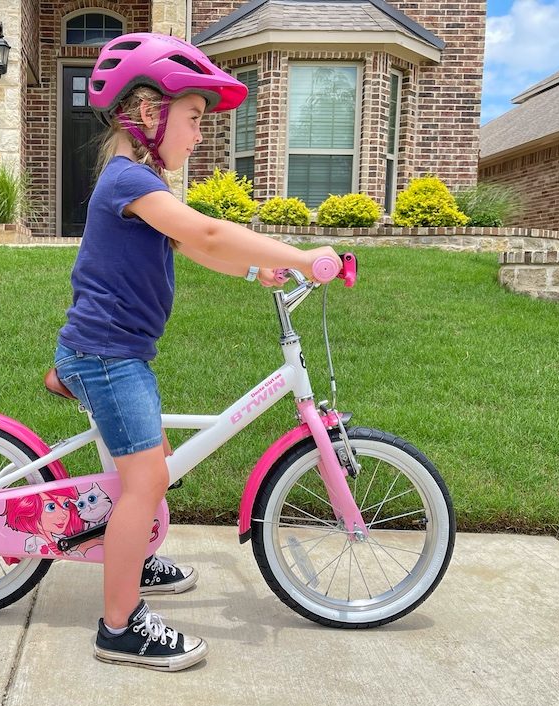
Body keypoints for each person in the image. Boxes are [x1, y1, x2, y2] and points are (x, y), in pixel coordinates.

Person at [53, 32, 342, 672]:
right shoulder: (128, 180)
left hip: (115, 349)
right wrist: (301, 257)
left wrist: (253, 273)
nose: (200, 134)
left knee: (147, 460)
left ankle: (133, 556)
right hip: (106, 354)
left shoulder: (140, 183)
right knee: (148, 477)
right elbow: (209, 229)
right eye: (193, 117)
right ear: (149, 113)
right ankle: (119, 628)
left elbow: (199, 247)